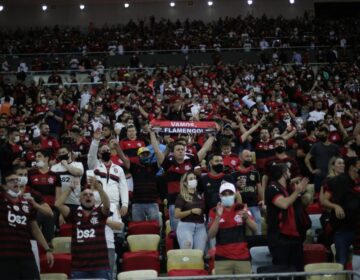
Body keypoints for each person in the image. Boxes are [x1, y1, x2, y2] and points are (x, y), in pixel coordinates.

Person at [151, 129, 215, 230]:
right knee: (176, 231)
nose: (181, 151)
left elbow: (204, 149)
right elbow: (156, 150)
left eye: (182, 149)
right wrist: (151, 133)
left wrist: (212, 136)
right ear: (173, 152)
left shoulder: (191, 161)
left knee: (193, 228)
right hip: (174, 203)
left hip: (191, 202)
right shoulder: (168, 164)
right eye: (178, 149)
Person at [0, 169, 54, 279]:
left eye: (17, 180)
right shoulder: (1, 201)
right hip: (5, 257)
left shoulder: (27, 203)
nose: (16, 182)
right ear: (4, 186)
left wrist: (47, 249)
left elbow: (34, 228)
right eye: (11, 181)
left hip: (26, 255)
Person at [55, 176, 112, 280]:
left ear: (94, 200)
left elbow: (107, 205)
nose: (88, 196)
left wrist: (99, 188)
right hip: (78, 269)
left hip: (100, 267)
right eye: (85, 195)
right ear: (80, 199)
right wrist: (70, 188)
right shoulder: (74, 214)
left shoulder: (100, 213)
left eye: (91, 195)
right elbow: (58, 204)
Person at [265, 163, 311, 271]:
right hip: (279, 238)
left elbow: (299, 203)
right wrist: (297, 191)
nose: (290, 173)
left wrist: (301, 193)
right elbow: (284, 204)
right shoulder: (272, 188)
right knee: (282, 271)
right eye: (288, 171)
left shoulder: (287, 188)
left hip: (295, 236)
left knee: (298, 269)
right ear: (284, 173)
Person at [208, 182, 256, 275]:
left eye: (230, 193)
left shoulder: (242, 208)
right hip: (222, 259)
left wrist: (246, 218)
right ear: (219, 195)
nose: (227, 196)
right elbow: (211, 235)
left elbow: (255, 229)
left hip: (242, 258)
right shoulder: (214, 211)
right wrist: (218, 217)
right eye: (224, 194)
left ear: (234, 194)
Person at [324, 157, 360, 266]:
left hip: (358, 227)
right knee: (341, 262)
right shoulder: (337, 181)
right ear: (352, 167)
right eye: (359, 165)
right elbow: (323, 200)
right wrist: (335, 206)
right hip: (343, 228)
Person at [88, 129, 129, 217]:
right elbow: (91, 155)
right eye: (103, 151)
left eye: (108, 150)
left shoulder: (119, 169)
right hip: (96, 204)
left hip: (114, 205)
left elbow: (123, 187)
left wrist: (125, 204)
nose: (106, 152)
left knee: (114, 229)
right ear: (99, 154)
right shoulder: (94, 165)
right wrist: (95, 140)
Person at [27, 149, 61, 243]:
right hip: (35, 211)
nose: (36, 158)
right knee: (33, 238)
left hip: (50, 211)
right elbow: (27, 193)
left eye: (39, 156)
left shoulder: (55, 176)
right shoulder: (31, 175)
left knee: (49, 238)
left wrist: (59, 213)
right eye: (36, 156)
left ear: (46, 158)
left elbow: (58, 198)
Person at [232, 149, 263, 235]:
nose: (249, 158)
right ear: (240, 158)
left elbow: (259, 188)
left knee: (258, 222)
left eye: (250, 156)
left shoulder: (255, 172)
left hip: (254, 204)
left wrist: (262, 200)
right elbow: (230, 190)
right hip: (239, 206)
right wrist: (236, 184)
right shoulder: (233, 173)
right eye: (247, 156)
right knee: (240, 225)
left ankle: (258, 242)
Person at [174, 172, 207, 252]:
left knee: (199, 253)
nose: (194, 180)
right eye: (191, 179)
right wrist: (191, 211)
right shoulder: (181, 196)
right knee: (187, 252)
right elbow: (177, 214)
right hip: (186, 227)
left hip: (200, 226)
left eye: (195, 178)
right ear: (185, 183)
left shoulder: (199, 195)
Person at [305, 126, 340, 192]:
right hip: (319, 177)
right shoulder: (315, 146)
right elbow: (306, 159)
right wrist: (312, 170)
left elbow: (340, 160)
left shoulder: (335, 147)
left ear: (328, 134)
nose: (321, 136)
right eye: (320, 135)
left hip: (332, 176)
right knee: (318, 196)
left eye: (323, 134)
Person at [51, 145, 84, 213]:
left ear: (69, 153)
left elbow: (78, 173)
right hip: (59, 202)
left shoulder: (78, 164)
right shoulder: (53, 168)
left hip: (74, 201)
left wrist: (66, 165)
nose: (61, 154)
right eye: (59, 153)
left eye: (63, 152)